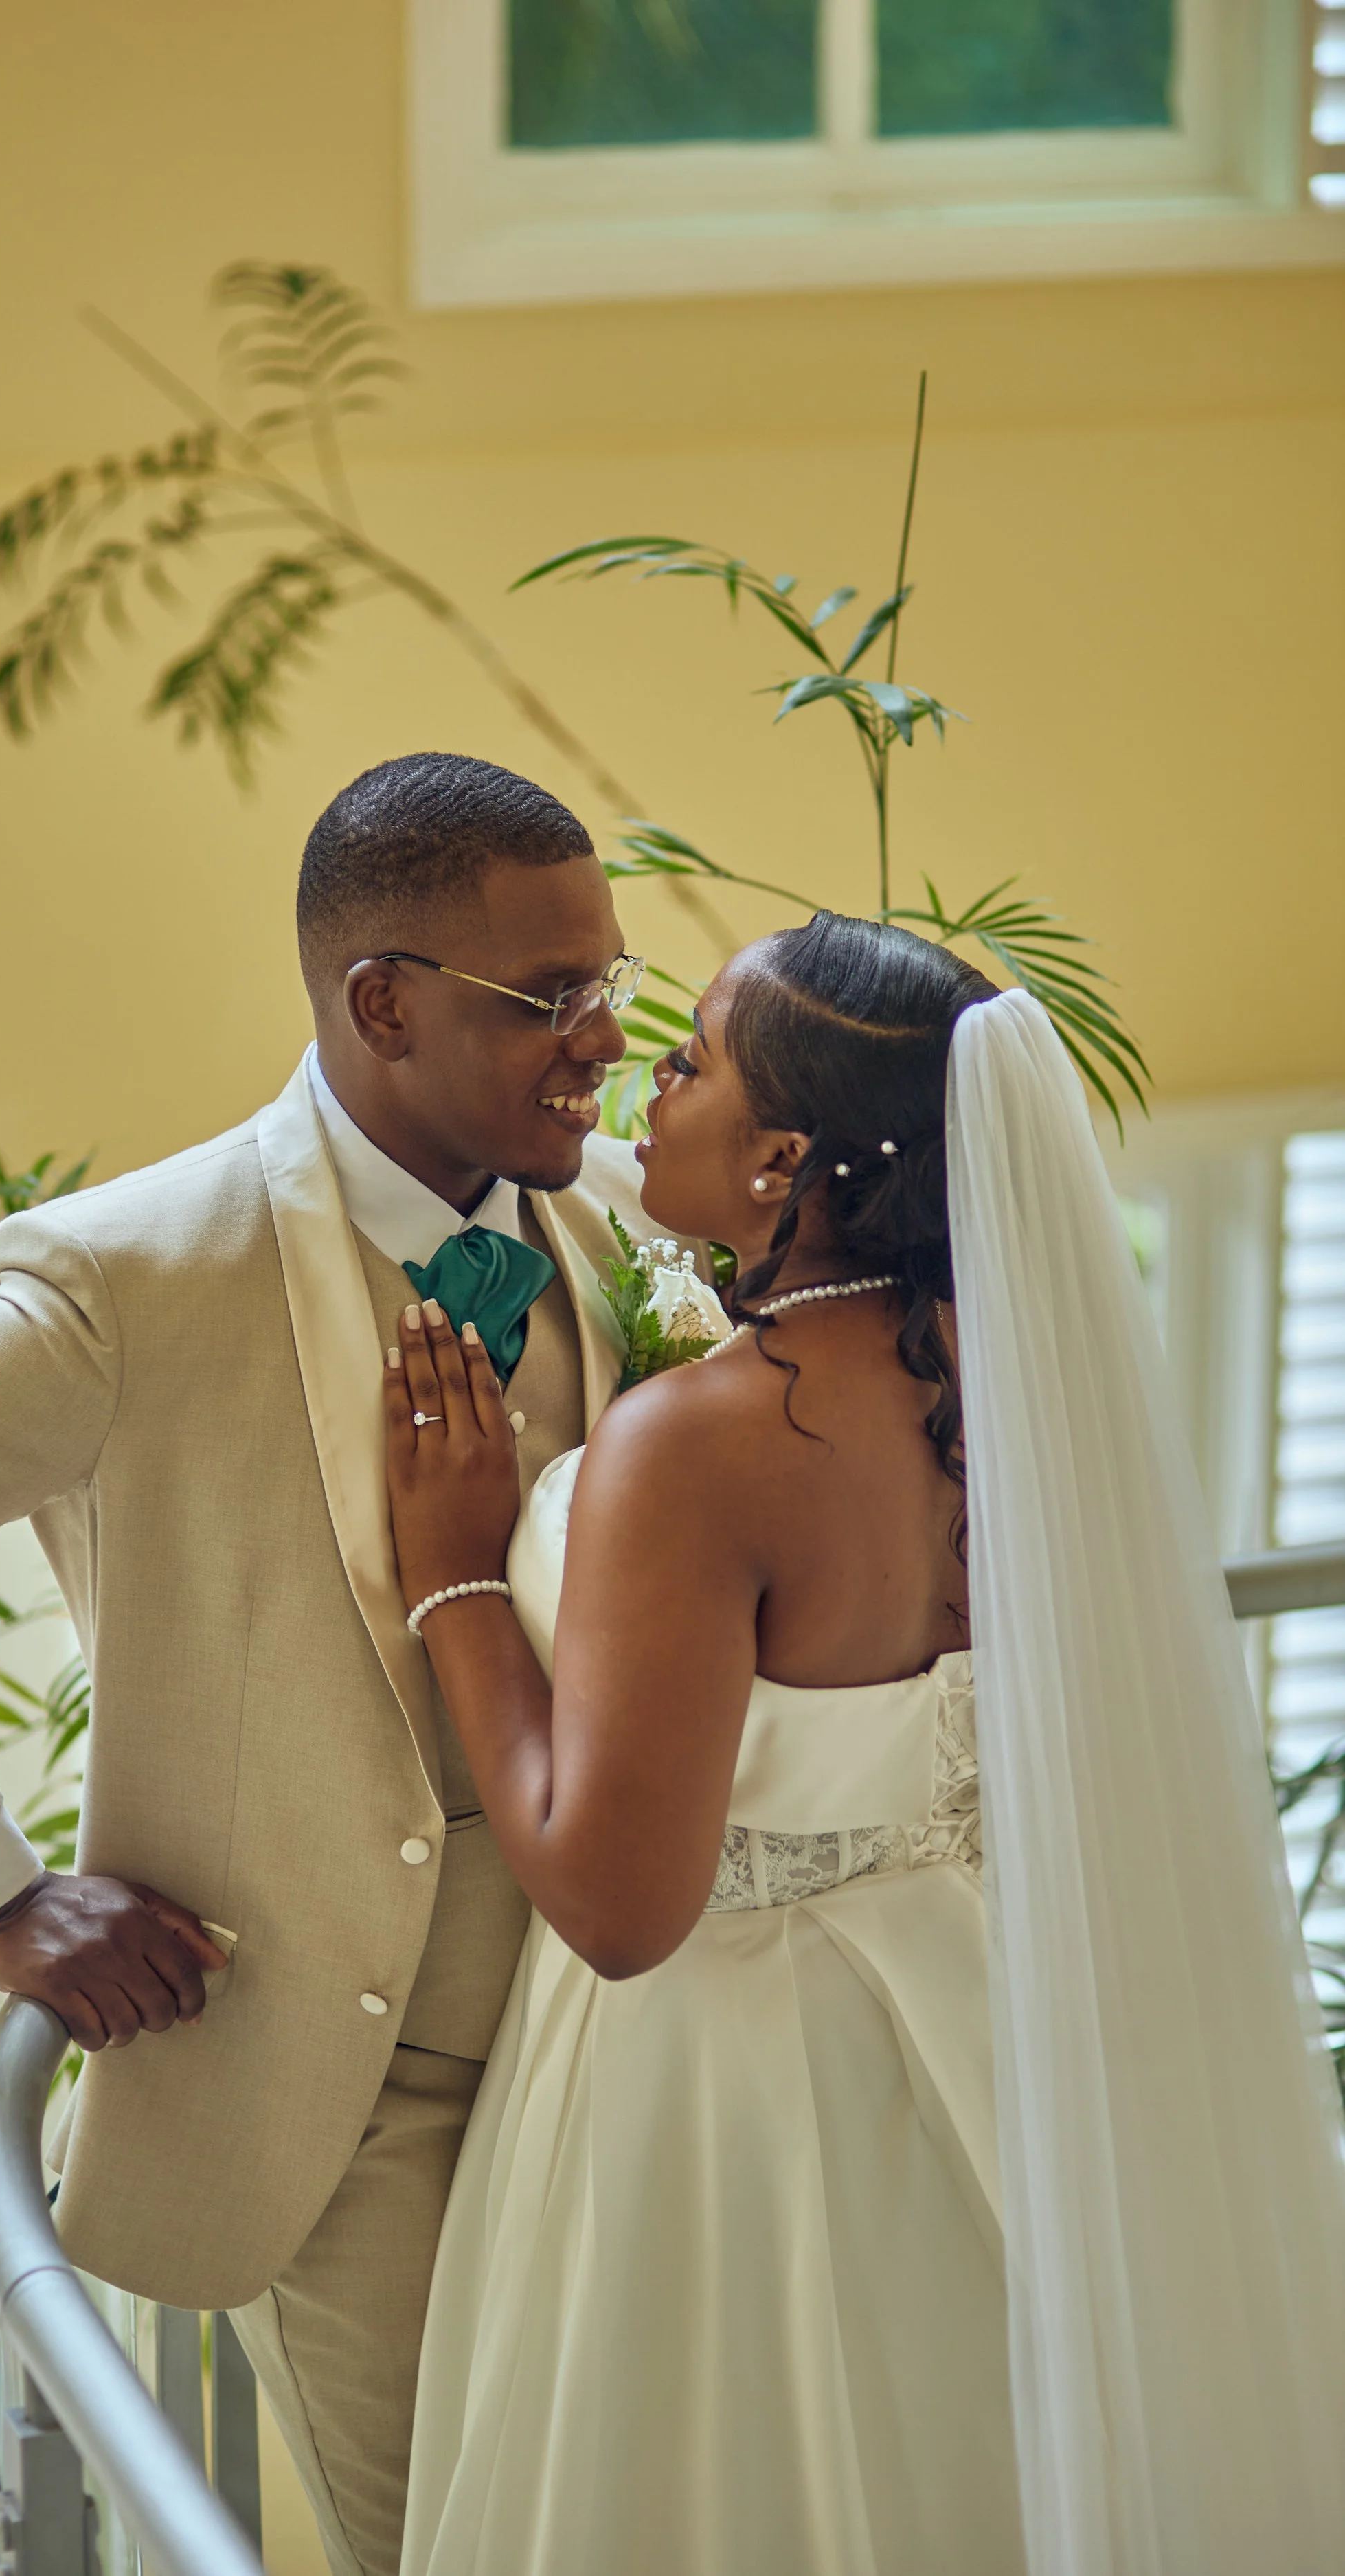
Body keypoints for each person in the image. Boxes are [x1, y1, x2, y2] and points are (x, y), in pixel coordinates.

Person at [0, 753, 701, 2576]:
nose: (603, 1036)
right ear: (377, 1000)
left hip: (633, 2049)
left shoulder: (626, 1223)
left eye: (611, 979)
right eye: (548, 995)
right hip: (341, 2105)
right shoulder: (131, 1280)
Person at [382, 915, 1345, 2576]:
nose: (638, 1080)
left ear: (780, 1161)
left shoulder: (698, 1445)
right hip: (985, 2027)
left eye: (682, 1062)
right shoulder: (1002, 1366)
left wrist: (457, 1572)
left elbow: (620, 1912)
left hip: (727, 2108)